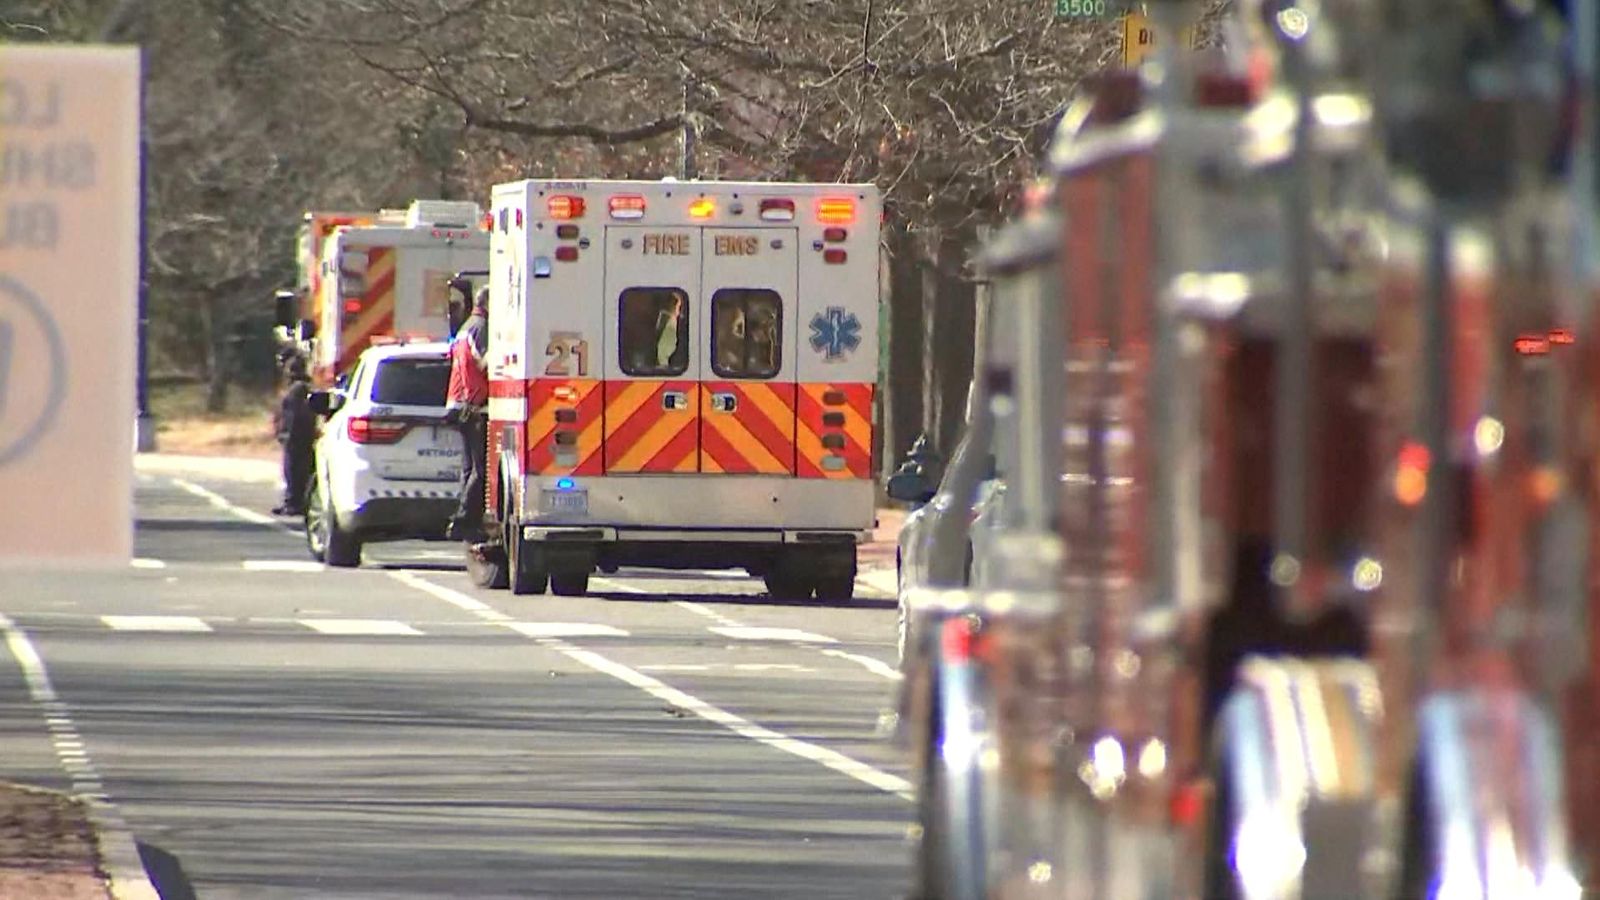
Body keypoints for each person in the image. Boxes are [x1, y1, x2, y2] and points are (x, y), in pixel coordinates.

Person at [445, 287, 491, 541]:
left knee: (469, 467)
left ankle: (465, 519)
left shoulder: (465, 328)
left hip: (458, 403)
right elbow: (485, 363)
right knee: (481, 468)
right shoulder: (481, 328)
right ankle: (464, 520)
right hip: (471, 405)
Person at [273, 356, 315, 516]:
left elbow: (294, 416)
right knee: (292, 470)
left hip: (296, 438)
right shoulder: (297, 388)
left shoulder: (297, 389)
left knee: (294, 470)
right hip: (295, 437)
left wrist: (288, 434)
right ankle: (292, 501)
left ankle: (294, 502)